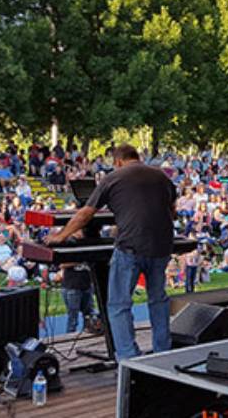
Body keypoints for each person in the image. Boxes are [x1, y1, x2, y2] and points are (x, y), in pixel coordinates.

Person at [45, 144, 176, 360]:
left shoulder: (114, 177)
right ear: (137, 157)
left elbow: (85, 214)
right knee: (158, 299)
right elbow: (172, 211)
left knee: (118, 303)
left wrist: (61, 236)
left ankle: (127, 357)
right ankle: (163, 351)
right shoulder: (161, 176)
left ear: (117, 162)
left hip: (132, 246)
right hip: (162, 245)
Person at [59, 263, 94, 334]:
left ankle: (88, 335)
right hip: (72, 286)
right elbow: (62, 265)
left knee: (89, 314)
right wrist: (79, 261)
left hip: (87, 284)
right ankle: (69, 337)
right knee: (73, 317)